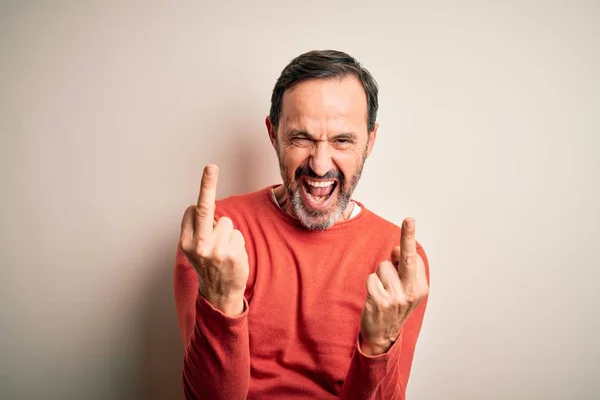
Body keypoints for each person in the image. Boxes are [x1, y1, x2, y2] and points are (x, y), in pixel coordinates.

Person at [173, 49, 430, 400]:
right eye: (302, 138)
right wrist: (221, 301)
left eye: (342, 140)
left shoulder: (400, 259)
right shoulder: (215, 238)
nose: (321, 165)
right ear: (273, 132)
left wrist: (379, 344)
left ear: (369, 141)